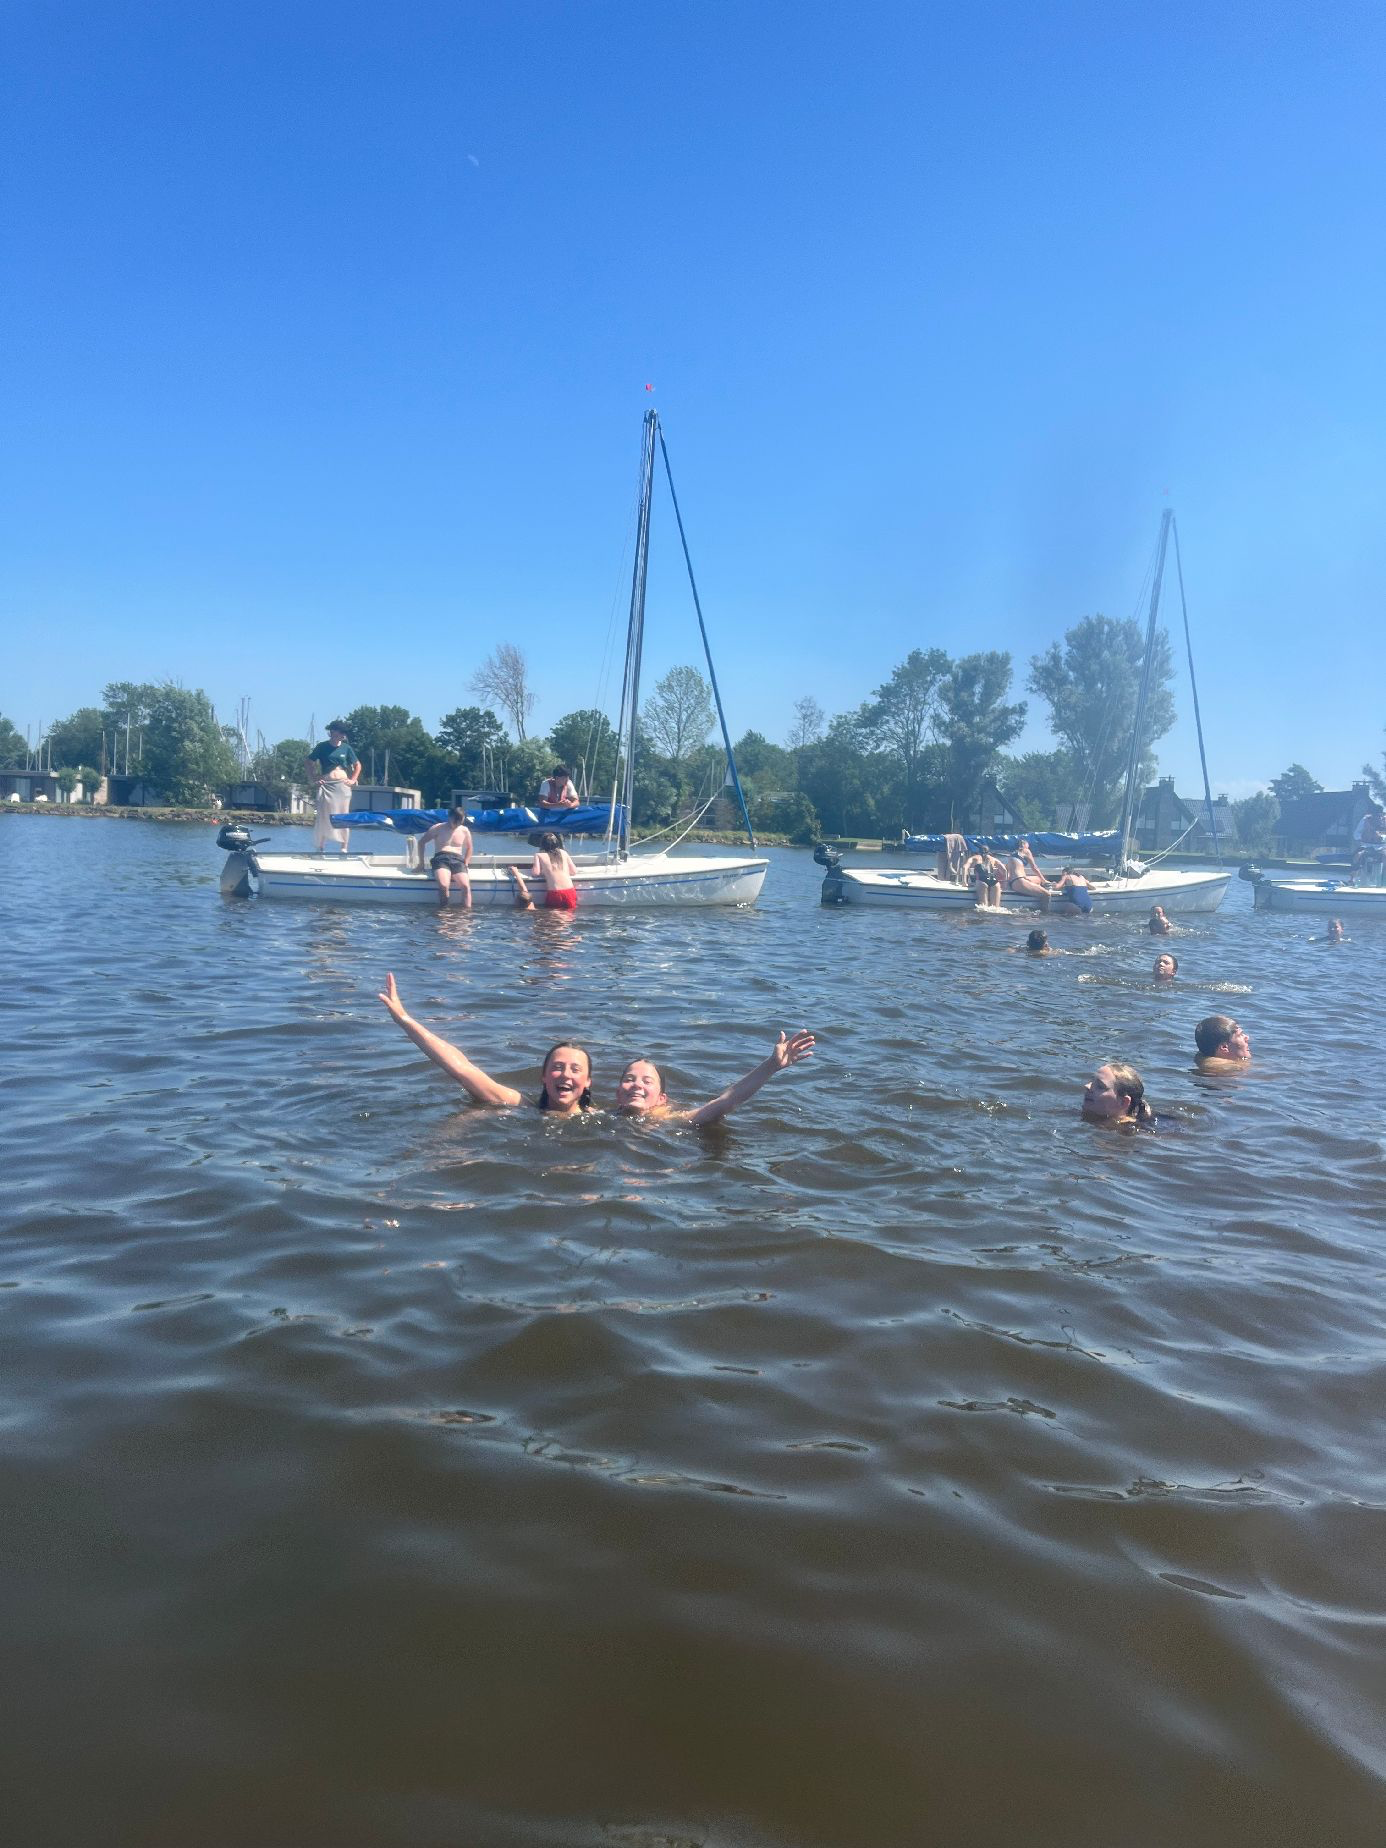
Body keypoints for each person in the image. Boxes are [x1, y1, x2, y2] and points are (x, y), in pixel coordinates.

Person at [378, 973, 814, 1122]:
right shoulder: (518, 1106)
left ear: (588, 1082)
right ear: (543, 1076)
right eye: (558, 1067)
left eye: (575, 1069)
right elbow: (461, 1068)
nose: (565, 1075)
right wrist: (407, 1021)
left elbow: (721, 1104)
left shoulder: (604, 1119)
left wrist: (770, 1066)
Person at [304, 720, 361, 853]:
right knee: (324, 815)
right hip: (327, 785)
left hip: (342, 785)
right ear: (333, 732)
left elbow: (357, 765)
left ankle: (344, 847)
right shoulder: (322, 747)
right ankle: (320, 846)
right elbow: (308, 761)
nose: (343, 735)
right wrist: (314, 778)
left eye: (344, 733)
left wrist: (353, 779)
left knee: (343, 814)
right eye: (341, 732)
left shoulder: (346, 748)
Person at [418, 806, 473, 907]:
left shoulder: (464, 830)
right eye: (455, 822)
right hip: (441, 859)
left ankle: (467, 913)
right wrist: (421, 864)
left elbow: (469, 848)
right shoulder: (437, 828)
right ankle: (444, 912)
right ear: (450, 817)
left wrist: (466, 862)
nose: (456, 825)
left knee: (465, 886)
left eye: (459, 822)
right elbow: (421, 843)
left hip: (457, 859)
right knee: (444, 885)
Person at [512, 831, 580, 911]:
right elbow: (574, 871)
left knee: (553, 916)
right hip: (570, 891)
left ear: (542, 844)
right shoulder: (564, 852)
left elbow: (535, 873)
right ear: (557, 843)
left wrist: (545, 871)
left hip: (555, 893)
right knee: (569, 914)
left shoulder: (539, 855)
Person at [1082, 1061, 1155, 1127]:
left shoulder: (1128, 1133)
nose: (1087, 1086)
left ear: (1123, 1102)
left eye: (1100, 1086)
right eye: (1092, 1081)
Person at [1001, 841, 1053, 908]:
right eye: (1028, 845)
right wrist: (1044, 880)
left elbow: (1007, 869)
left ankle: (1035, 890)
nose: (1029, 847)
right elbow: (1034, 868)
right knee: (1047, 895)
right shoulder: (1026, 850)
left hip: (1013, 882)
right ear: (1024, 844)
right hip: (1020, 881)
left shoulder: (1012, 855)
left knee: (1038, 879)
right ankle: (1044, 912)